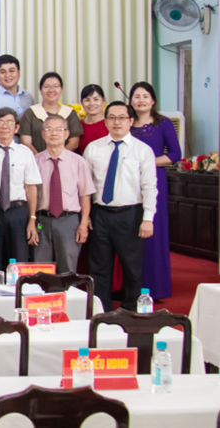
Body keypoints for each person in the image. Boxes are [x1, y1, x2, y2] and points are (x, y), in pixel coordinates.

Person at [83, 101, 158, 312]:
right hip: (99, 215)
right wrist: (86, 216)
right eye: (112, 118)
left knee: (132, 268)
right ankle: (101, 311)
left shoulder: (143, 150)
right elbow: (86, 186)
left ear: (131, 121)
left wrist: (148, 218)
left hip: (130, 215)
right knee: (99, 268)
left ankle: (131, 311)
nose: (117, 122)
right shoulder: (93, 148)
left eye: (122, 118)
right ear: (105, 121)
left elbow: (150, 187)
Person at [129, 81, 181, 300]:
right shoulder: (126, 122)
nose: (141, 100)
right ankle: (130, 286)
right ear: (130, 101)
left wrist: (147, 163)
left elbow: (175, 154)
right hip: (129, 181)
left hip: (155, 180)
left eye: (145, 96)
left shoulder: (163, 123)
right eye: (136, 96)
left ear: (153, 100)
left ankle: (154, 288)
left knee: (152, 231)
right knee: (130, 230)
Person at [0, 108, 42, 269]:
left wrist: (32, 219)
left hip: (18, 211)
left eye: (9, 122)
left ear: (17, 127)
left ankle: (17, 286)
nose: (4, 126)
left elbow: (31, 188)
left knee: (19, 259)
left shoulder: (25, 153)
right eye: (0, 122)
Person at [33, 116, 96, 274]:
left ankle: (68, 291)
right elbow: (30, 195)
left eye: (59, 129)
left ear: (66, 134)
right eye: (49, 129)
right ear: (43, 134)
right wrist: (32, 221)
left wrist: (83, 224)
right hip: (41, 221)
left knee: (68, 269)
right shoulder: (35, 161)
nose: (54, 133)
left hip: (69, 221)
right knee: (40, 269)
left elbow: (85, 195)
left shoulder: (78, 161)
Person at [19, 72, 83, 154]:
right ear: (40, 90)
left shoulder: (70, 113)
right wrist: (40, 159)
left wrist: (58, 158)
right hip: (36, 160)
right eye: (46, 86)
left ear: (61, 89)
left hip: (64, 160)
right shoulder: (30, 113)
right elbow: (26, 142)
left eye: (56, 86)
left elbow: (74, 143)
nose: (51, 90)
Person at [0, 55, 35, 122]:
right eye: (2, 72)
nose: (7, 75)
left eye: (11, 71)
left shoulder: (28, 96)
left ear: (19, 73)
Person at [77, 84, 109, 155]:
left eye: (96, 99)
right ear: (82, 103)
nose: (91, 103)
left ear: (104, 100)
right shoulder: (77, 125)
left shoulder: (110, 123)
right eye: (87, 100)